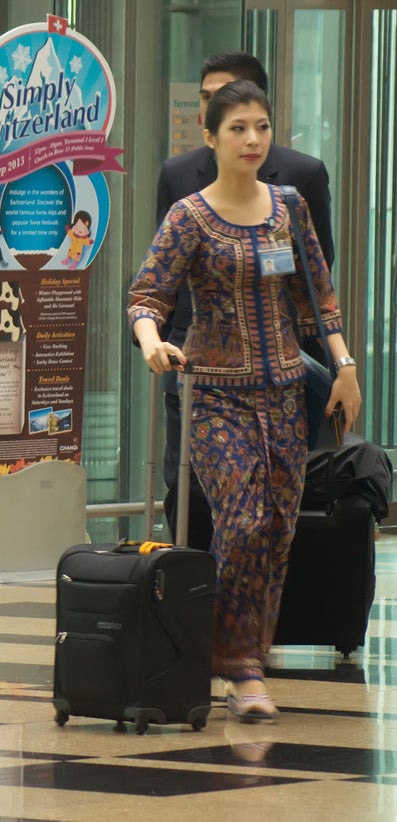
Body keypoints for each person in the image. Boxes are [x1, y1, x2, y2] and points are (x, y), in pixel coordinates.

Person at [128, 80, 361, 722]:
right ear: (210, 136)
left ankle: (245, 654)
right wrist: (151, 342)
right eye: (237, 128)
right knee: (242, 520)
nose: (252, 139)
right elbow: (148, 294)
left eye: (261, 126)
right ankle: (238, 665)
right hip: (215, 394)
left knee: (280, 530)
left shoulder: (289, 208)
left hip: (287, 391)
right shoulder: (190, 216)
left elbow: (319, 297)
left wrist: (343, 366)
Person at [156, 51, 335, 553]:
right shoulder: (180, 179)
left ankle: (247, 624)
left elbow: (316, 282)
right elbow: (159, 279)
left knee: (271, 522)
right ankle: (193, 613)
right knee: (192, 495)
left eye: (232, 99)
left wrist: (335, 362)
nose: (219, 109)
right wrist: (154, 337)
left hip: (279, 374)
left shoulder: (300, 182)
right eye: (209, 100)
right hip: (199, 370)